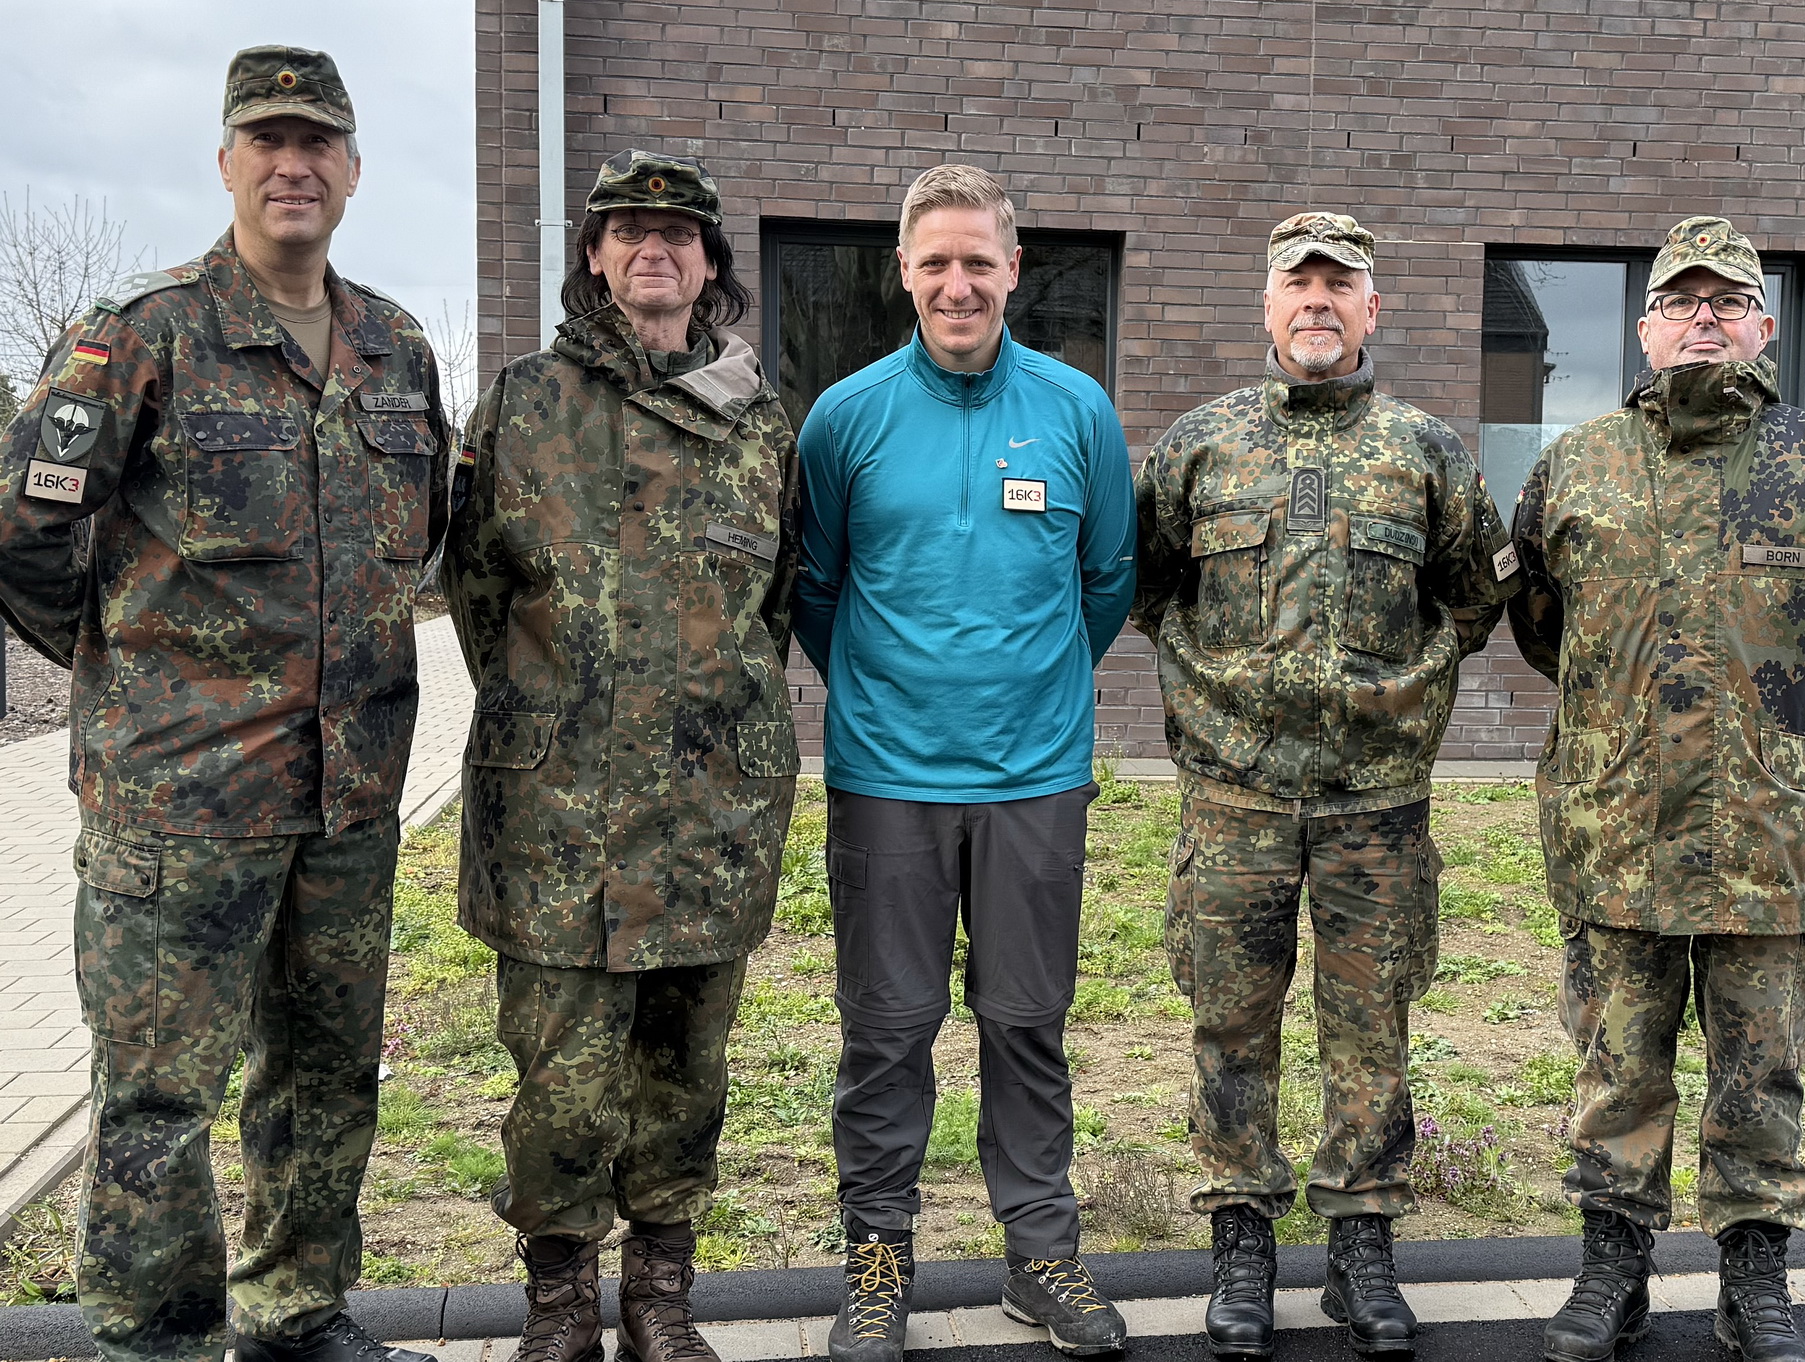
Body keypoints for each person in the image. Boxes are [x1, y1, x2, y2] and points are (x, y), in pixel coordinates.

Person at [0, 46, 447, 1362]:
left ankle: (296, 1308)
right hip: (180, 803)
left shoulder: (397, 348)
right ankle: (158, 1334)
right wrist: (137, 689)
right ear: (227, 162)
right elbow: (28, 541)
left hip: (350, 798)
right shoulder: (136, 335)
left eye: (317, 143)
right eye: (266, 140)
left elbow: (426, 533)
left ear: (354, 170)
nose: (292, 163)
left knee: (320, 1079)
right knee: (157, 1094)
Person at [1511, 216, 1805, 1362]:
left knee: (1761, 1074)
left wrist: (1778, 726)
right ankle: (1612, 1276)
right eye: (1681, 301)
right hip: (1618, 828)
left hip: (1768, 835)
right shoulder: (1578, 467)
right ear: (1644, 329)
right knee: (1616, 1067)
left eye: (1726, 300)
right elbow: (1546, 630)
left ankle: (1756, 1283)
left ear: (1763, 322)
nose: (1704, 317)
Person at [1132, 212, 1519, 1359]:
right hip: (1235, 799)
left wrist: (1396, 692)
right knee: (1230, 1024)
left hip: (1376, 804)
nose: (1317, 301)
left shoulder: (1428, 451)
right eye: (1296, 282)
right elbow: (1146, 586)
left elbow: (1476, 594)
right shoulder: (1197, 448)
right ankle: (1241, 1238)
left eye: (1338, 285)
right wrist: (1227, 694)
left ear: (1370, 310)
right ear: (1265, 306)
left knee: (1371, 1030)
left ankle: (1361, 1246)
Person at [443, 149, 800, 1362]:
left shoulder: (762, 426)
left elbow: (777, 605)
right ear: (593, 257)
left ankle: (661, 1302)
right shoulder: (523, 402)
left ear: (711, 267)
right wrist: (564, 713)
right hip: (558, 813)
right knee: (559, 1086)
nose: (656, 249)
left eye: (681, 234)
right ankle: (556, 1309)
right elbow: (480, 593)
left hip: (710, 814)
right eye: (629, 231)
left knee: (683, 1081)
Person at [793, 162, 1136, 1362]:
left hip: (1037, 780)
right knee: (885, 1032)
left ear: (1013, 270)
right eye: (934, 262)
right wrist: (893, 702)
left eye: (977, 261)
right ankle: (878, 1260)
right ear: (903, 271)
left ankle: (1041, 1258)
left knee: (1027, 1026)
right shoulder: (844, 419)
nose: (957, 284)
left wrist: (1029, 692)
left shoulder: (1078, 411)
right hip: (887, 781)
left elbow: (1106, 584)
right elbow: (817, 589)